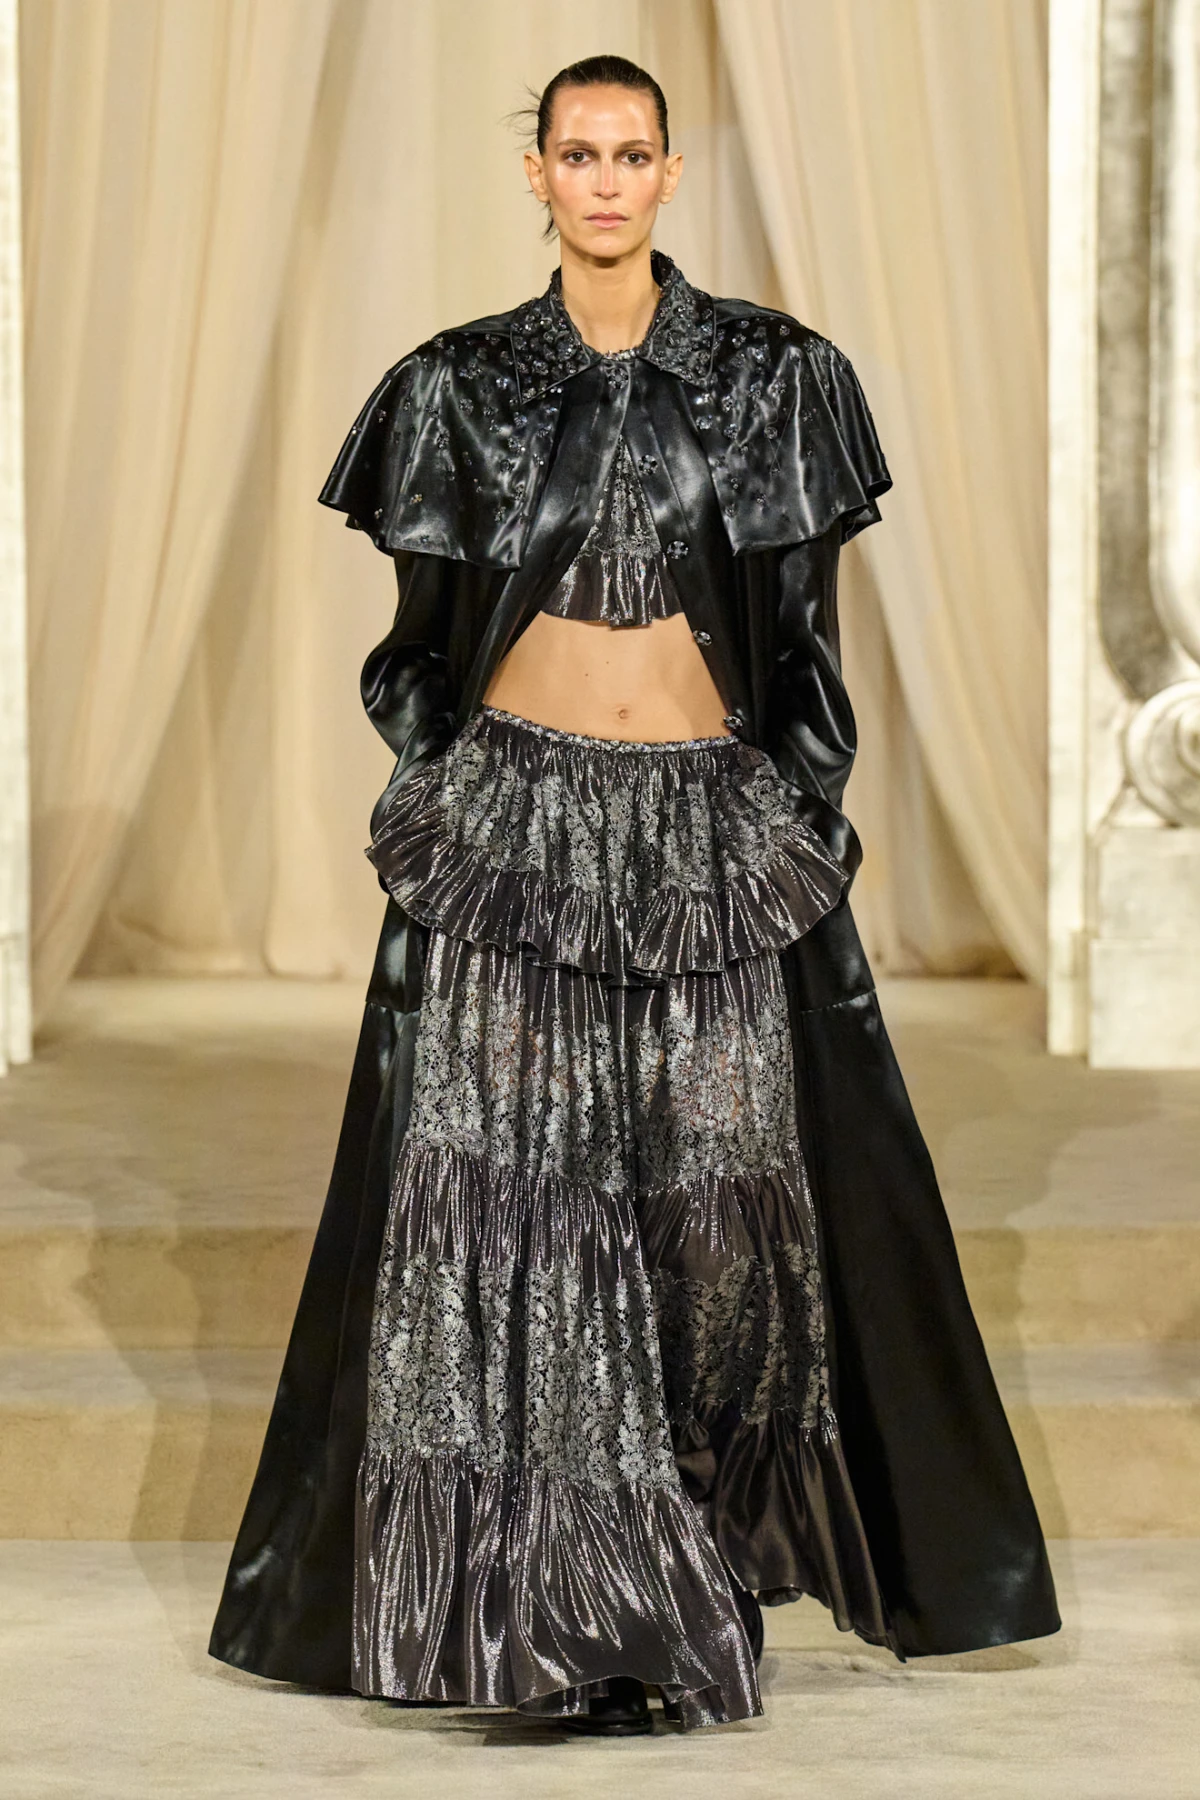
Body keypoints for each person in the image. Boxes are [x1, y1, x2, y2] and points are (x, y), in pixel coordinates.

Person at [209, 53, 1059, 1734]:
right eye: (578, 152)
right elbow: (423, 644)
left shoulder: (777, 378)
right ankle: (559, 1619)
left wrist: (790, 813)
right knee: (517, 1212)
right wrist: (445, 793)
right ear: (535, 172)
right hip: (517, 827)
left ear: (672, 173)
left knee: (712, 1207)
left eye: (632, 152)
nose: (604, 178)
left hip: (703, 834)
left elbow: (799, 642)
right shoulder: (455, 386)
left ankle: (683, 1573)